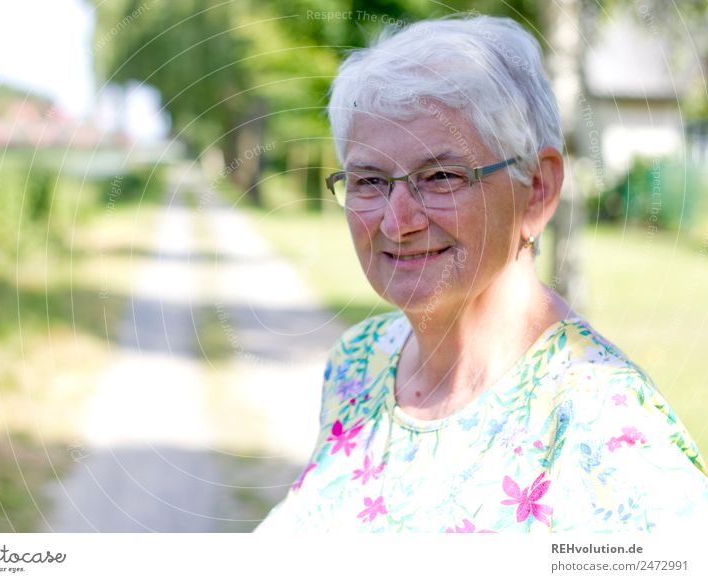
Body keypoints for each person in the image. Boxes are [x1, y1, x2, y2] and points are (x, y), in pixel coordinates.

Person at [254, 14, 708, 532]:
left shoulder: (606, 429)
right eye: (369, 180)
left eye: (442, 176)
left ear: (537, 188)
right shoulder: (360, 361)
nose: (397, 222)